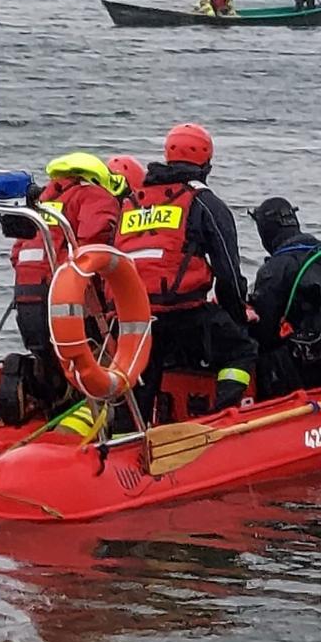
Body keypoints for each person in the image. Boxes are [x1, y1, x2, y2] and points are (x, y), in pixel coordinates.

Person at [115, 124, 256, 426]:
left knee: (141, 380)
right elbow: (228, 273)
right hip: (185, 313)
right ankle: (219, 419)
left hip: (136, 317)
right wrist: (239, 316)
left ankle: (125, 442)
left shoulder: (132, 201)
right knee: (241, 349)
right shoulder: (204, 202)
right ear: (207, 164)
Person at [0, 152, 121, 421]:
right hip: (62, 295)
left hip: (26, 294)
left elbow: (16, 252)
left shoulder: (44, 202)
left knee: (50, 357)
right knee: (90, 358)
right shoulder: (92, 196)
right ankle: (100, 420)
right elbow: (94, 244)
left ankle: (36, 388)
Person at [246, 198, 321, 396]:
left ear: (266, 231)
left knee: (254, 349)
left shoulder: (275, 270)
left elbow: (265, 333)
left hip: (318, 367)